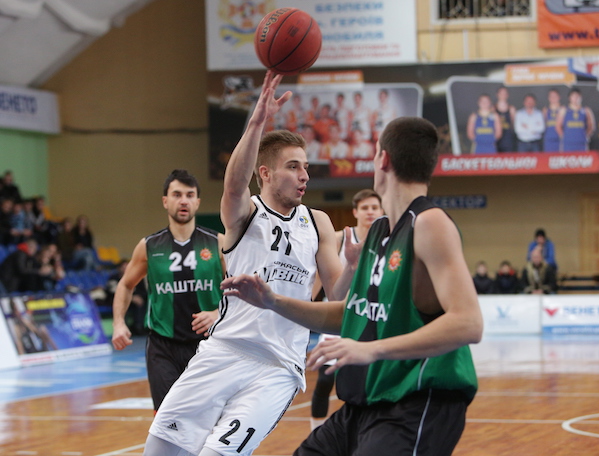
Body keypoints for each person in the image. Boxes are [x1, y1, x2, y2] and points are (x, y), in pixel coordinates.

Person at [222, 116, 483, 456]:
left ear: (383, 159)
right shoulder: (378, 232)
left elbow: (468, 323)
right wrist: (273, 301)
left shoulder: (429, 222)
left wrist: (372, 349)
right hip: (364, 404)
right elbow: (350, 313)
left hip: (415, 402)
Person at [144, 72, 351, 456]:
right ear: (266, 173)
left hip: (277, 366)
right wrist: (257, 121)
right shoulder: (246, 213)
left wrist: (351, 264)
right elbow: (234, 185)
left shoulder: (318, 222)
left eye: (305, 167)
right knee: (159, 451)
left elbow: (340, 298)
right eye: (293, 166)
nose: (304, 175)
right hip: (223, 351)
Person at [111, 169, 224, 412]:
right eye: (177, 194)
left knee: (206, 418)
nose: (183, 201)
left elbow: (243, 289)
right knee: (166, 419)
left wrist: (219, 313)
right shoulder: (149, 246)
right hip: (163, 346)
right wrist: (119, 323)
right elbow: (126, 285)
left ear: (197, 202)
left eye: (189, 195)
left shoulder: (217, 243)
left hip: (208, 345)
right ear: (165, 201)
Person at [310, 189, 384, 431]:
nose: (370, 212)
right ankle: (316, 431)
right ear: (355, 212)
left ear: (381, 211)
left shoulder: (387, 240)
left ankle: (367, 430)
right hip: (338, 315)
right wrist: (305, 306)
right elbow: (319, 275)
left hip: (370, 317)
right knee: (325, 379)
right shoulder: (340, 239)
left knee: (366, 379)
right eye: (365, 208)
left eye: (374, 207)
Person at [556, 88, 596, 152]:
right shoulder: (564, 110)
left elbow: (591, 126)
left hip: (581, 143)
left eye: (577, 96)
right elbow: (558, 126)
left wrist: (585, 136)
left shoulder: (586, 110)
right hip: (568, 143)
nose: (576, 98)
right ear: (570, 98)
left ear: (581, 98)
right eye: (574, 96)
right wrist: (564, 137)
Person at [495, 86, 517, 152]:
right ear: (497, 95)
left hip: (508, 139)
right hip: (496, 140)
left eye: (505, 93)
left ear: (508, 95)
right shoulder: (493, 109)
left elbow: (514, 125)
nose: (503, 95)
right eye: (501, 93)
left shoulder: (512, 109)